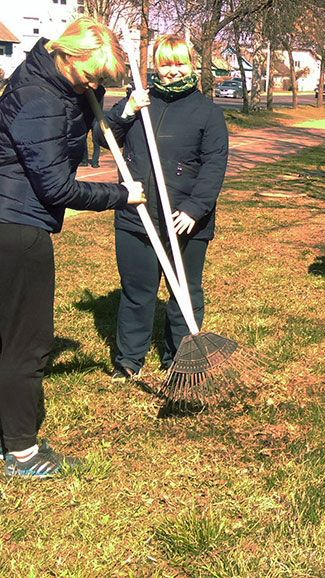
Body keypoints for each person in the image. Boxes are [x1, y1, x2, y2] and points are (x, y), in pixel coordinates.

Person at [0, 17, 145, 478]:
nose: (93, 83)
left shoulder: (52, 84)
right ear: (66, 54)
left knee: (9, 338)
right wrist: (123, 194)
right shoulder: (40, 99)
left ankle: (8, 434)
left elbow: (85, 125)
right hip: (17, 229)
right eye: (91, 74)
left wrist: (100, 96)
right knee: (28, 342)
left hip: (11, 221)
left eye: (101, 79)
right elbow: (58, 188)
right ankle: (22, 453)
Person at [104, 34, 228, 382]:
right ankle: (129, 360)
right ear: (155, 66)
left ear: (191, 65)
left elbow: (214, 165)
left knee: (185, 292)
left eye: (179, 63)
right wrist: (127, 110)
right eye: (165, 63)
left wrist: (194, 209)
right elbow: (103, 138)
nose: (172, 71)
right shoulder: (139, 102)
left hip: (186, 220)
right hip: (135, 215)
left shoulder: (208, 113)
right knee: (137, 292)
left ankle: (179, 357)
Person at [81, 92, 104, 167]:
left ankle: (85, 161)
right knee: (96, 141)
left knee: (85, 139)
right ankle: (94, 162)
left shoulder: (86, 94)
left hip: (88, 118)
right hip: (96, 118)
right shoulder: (100, 94)